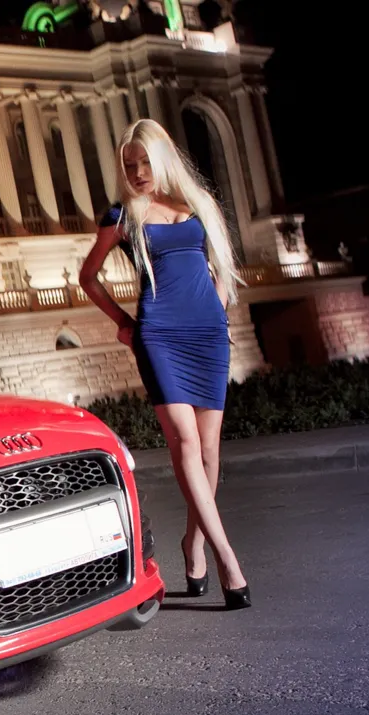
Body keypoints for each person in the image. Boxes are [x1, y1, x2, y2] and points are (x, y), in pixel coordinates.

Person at [78, 118, 251, 611]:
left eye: (144, 163)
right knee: (186, 443)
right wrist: (123, 323)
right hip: (159, 337)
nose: (136, 173)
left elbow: (221, 264)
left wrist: (217, 311)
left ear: (163, 158)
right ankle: (227, 560)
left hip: (207, 335)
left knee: (211, 451)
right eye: (129, 166)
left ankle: (193, 541)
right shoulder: (121, 215)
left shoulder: (199, 204)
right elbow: (88, 277)